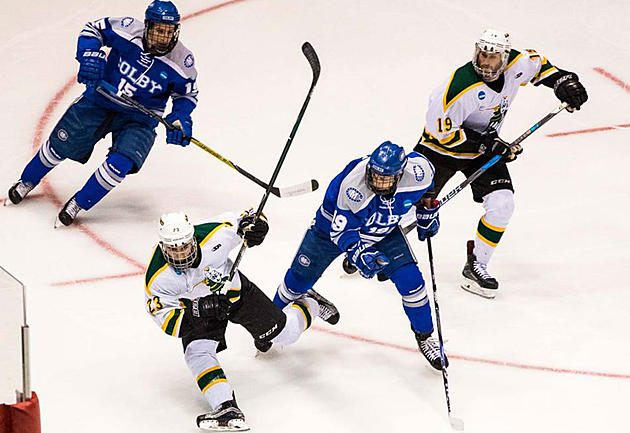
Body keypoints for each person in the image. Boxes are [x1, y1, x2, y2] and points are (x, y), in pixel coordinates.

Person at [413, 29, 588, 298]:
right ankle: (372, 247)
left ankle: (477, 264)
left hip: (484, 147)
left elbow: (542, 66)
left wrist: (564, 83)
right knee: (404, 204)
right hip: (439, 150)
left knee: (502, 204)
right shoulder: (459, 87)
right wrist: (488, 145)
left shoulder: (517, 64)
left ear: (504, 57)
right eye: (482, 55)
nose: (485, 62)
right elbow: (442, 133)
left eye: (493, 57)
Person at [6, 1, 199, 227]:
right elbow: (93, 29)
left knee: (122, 162)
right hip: (100, 100)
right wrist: (89, 54)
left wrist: (181, 118)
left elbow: (186, 95)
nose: (163, 37)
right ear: (147, 26)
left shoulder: (182, 62)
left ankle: (79, 202)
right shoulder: (127, 29)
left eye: (168, 32)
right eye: (158, 30)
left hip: (139, 118)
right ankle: (27, 180)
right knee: (60, 146)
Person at [145, 210, 339, 432]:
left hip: (236, 295)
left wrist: (257, 227)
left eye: (184, 247)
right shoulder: (158, 277)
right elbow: (168, 321)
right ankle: (226, 407)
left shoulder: (213, 235)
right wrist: (198, 310)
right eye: (173, 249)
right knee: (196, 353)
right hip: (200, 313)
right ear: (163, 247)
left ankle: (310, 302)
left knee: (287, 334)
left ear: (192, 239)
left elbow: (252, 216)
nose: (180, 254)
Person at [273, 141, 447, 371]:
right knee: (296, 282)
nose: (377, 182)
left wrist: (427, 209)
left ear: (399, 174)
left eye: (385, 179)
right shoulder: (354, 187)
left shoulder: (419, 172)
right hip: (330, 230)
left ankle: (425, 336)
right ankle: (270, 321)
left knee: (412, 282)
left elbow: (427, 190)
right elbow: (342, 231)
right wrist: (360, 253)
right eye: (374, 175)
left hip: (382, 231)